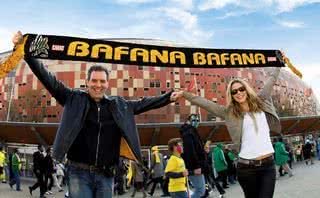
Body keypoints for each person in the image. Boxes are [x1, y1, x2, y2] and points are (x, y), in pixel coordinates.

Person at [12, 31, 177, 198]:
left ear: (107, 83)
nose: (98, 85)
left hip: (106, 175)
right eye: (94, 81)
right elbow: (47, 78)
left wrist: (169, 97)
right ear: (87, 82)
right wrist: (25, 51)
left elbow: (144, 103)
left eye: (102, 81)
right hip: (79, 172)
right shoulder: (73, 98)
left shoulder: (119, 105)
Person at [171, 54, 287, 198]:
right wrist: (184, 94)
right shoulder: (229, 113)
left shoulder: (261, 101)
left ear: (246, 89)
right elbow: (205, 103)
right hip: (246, 168)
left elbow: (271, 79)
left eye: (241, 89)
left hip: (268, 165)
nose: (238, 93)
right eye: (234, 92)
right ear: (231, 95)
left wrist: (279, 61)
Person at [179, 114, 206, 198]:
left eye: (198, 121)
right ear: (188, 121)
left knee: (200, 190)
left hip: (195, 166)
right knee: (200, 191)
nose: (196, 122)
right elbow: (190, 151)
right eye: (194, 120)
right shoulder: (189, 133)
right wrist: (196, 166)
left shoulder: (191, 131)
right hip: (194, 167)